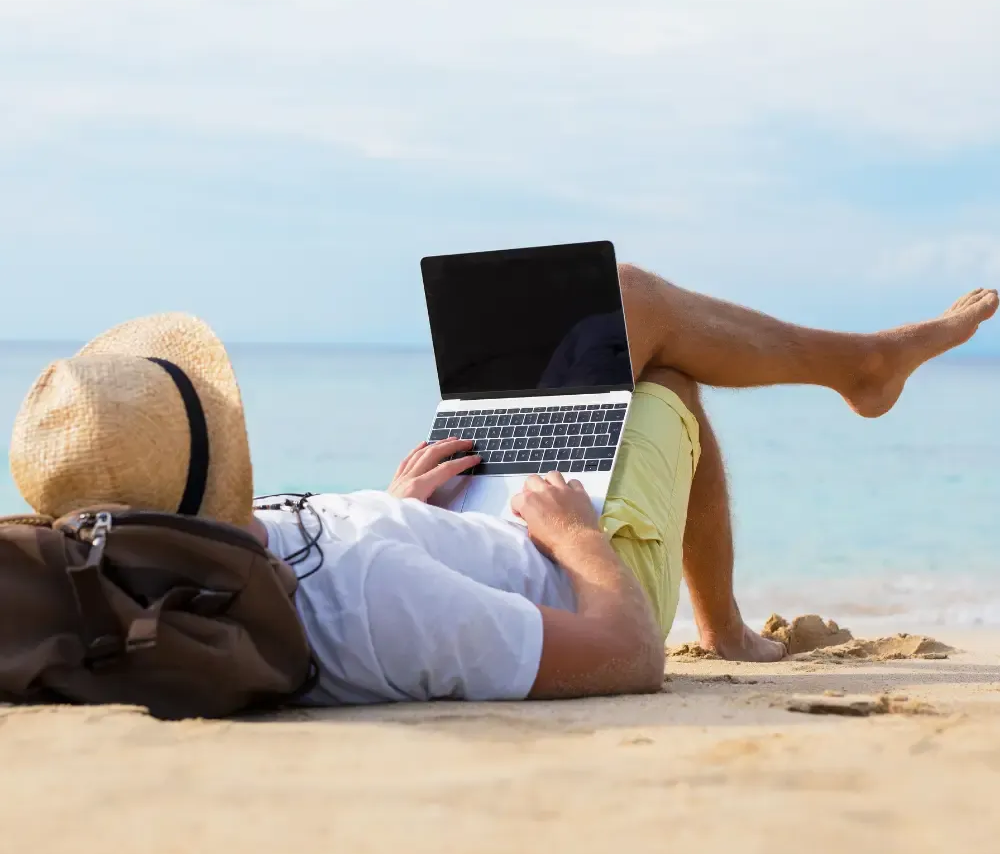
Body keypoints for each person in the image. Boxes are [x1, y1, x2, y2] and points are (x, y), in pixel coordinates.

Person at [9, 266, 997, 705]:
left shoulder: (195, 567)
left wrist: (393, 505)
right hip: (582, 571)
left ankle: (860, 370)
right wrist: (574, 542)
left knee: (619, 324)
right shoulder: (380, 603)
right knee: (660, 363)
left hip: (459, 517)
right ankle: (856, 379)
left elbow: (324, 557)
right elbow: (618, 658)